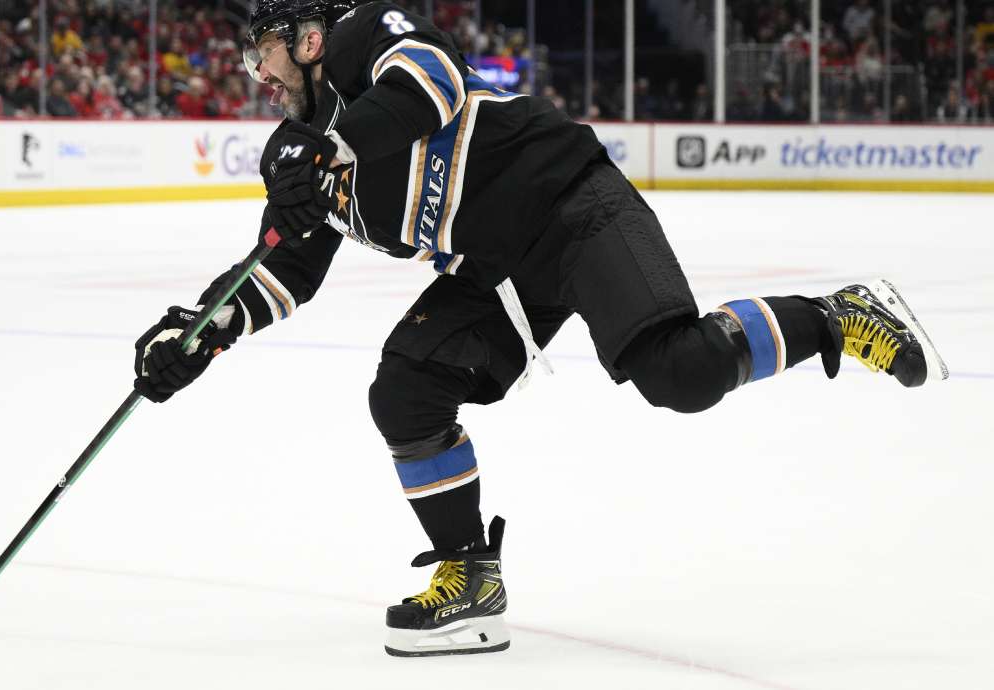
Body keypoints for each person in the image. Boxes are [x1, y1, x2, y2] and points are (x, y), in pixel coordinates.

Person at [132, 0, 948, 657]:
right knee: (406, 391)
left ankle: (836, 316)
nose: (257, 75)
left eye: (263, 54)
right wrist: (195, 333)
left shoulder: (358, 38)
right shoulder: (298, 157)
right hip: (498, 271)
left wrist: (334, 146)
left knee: (680, 374)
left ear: (306, 38)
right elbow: (280, 269)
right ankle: (469, 577)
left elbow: (433, 82)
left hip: (573, 203)